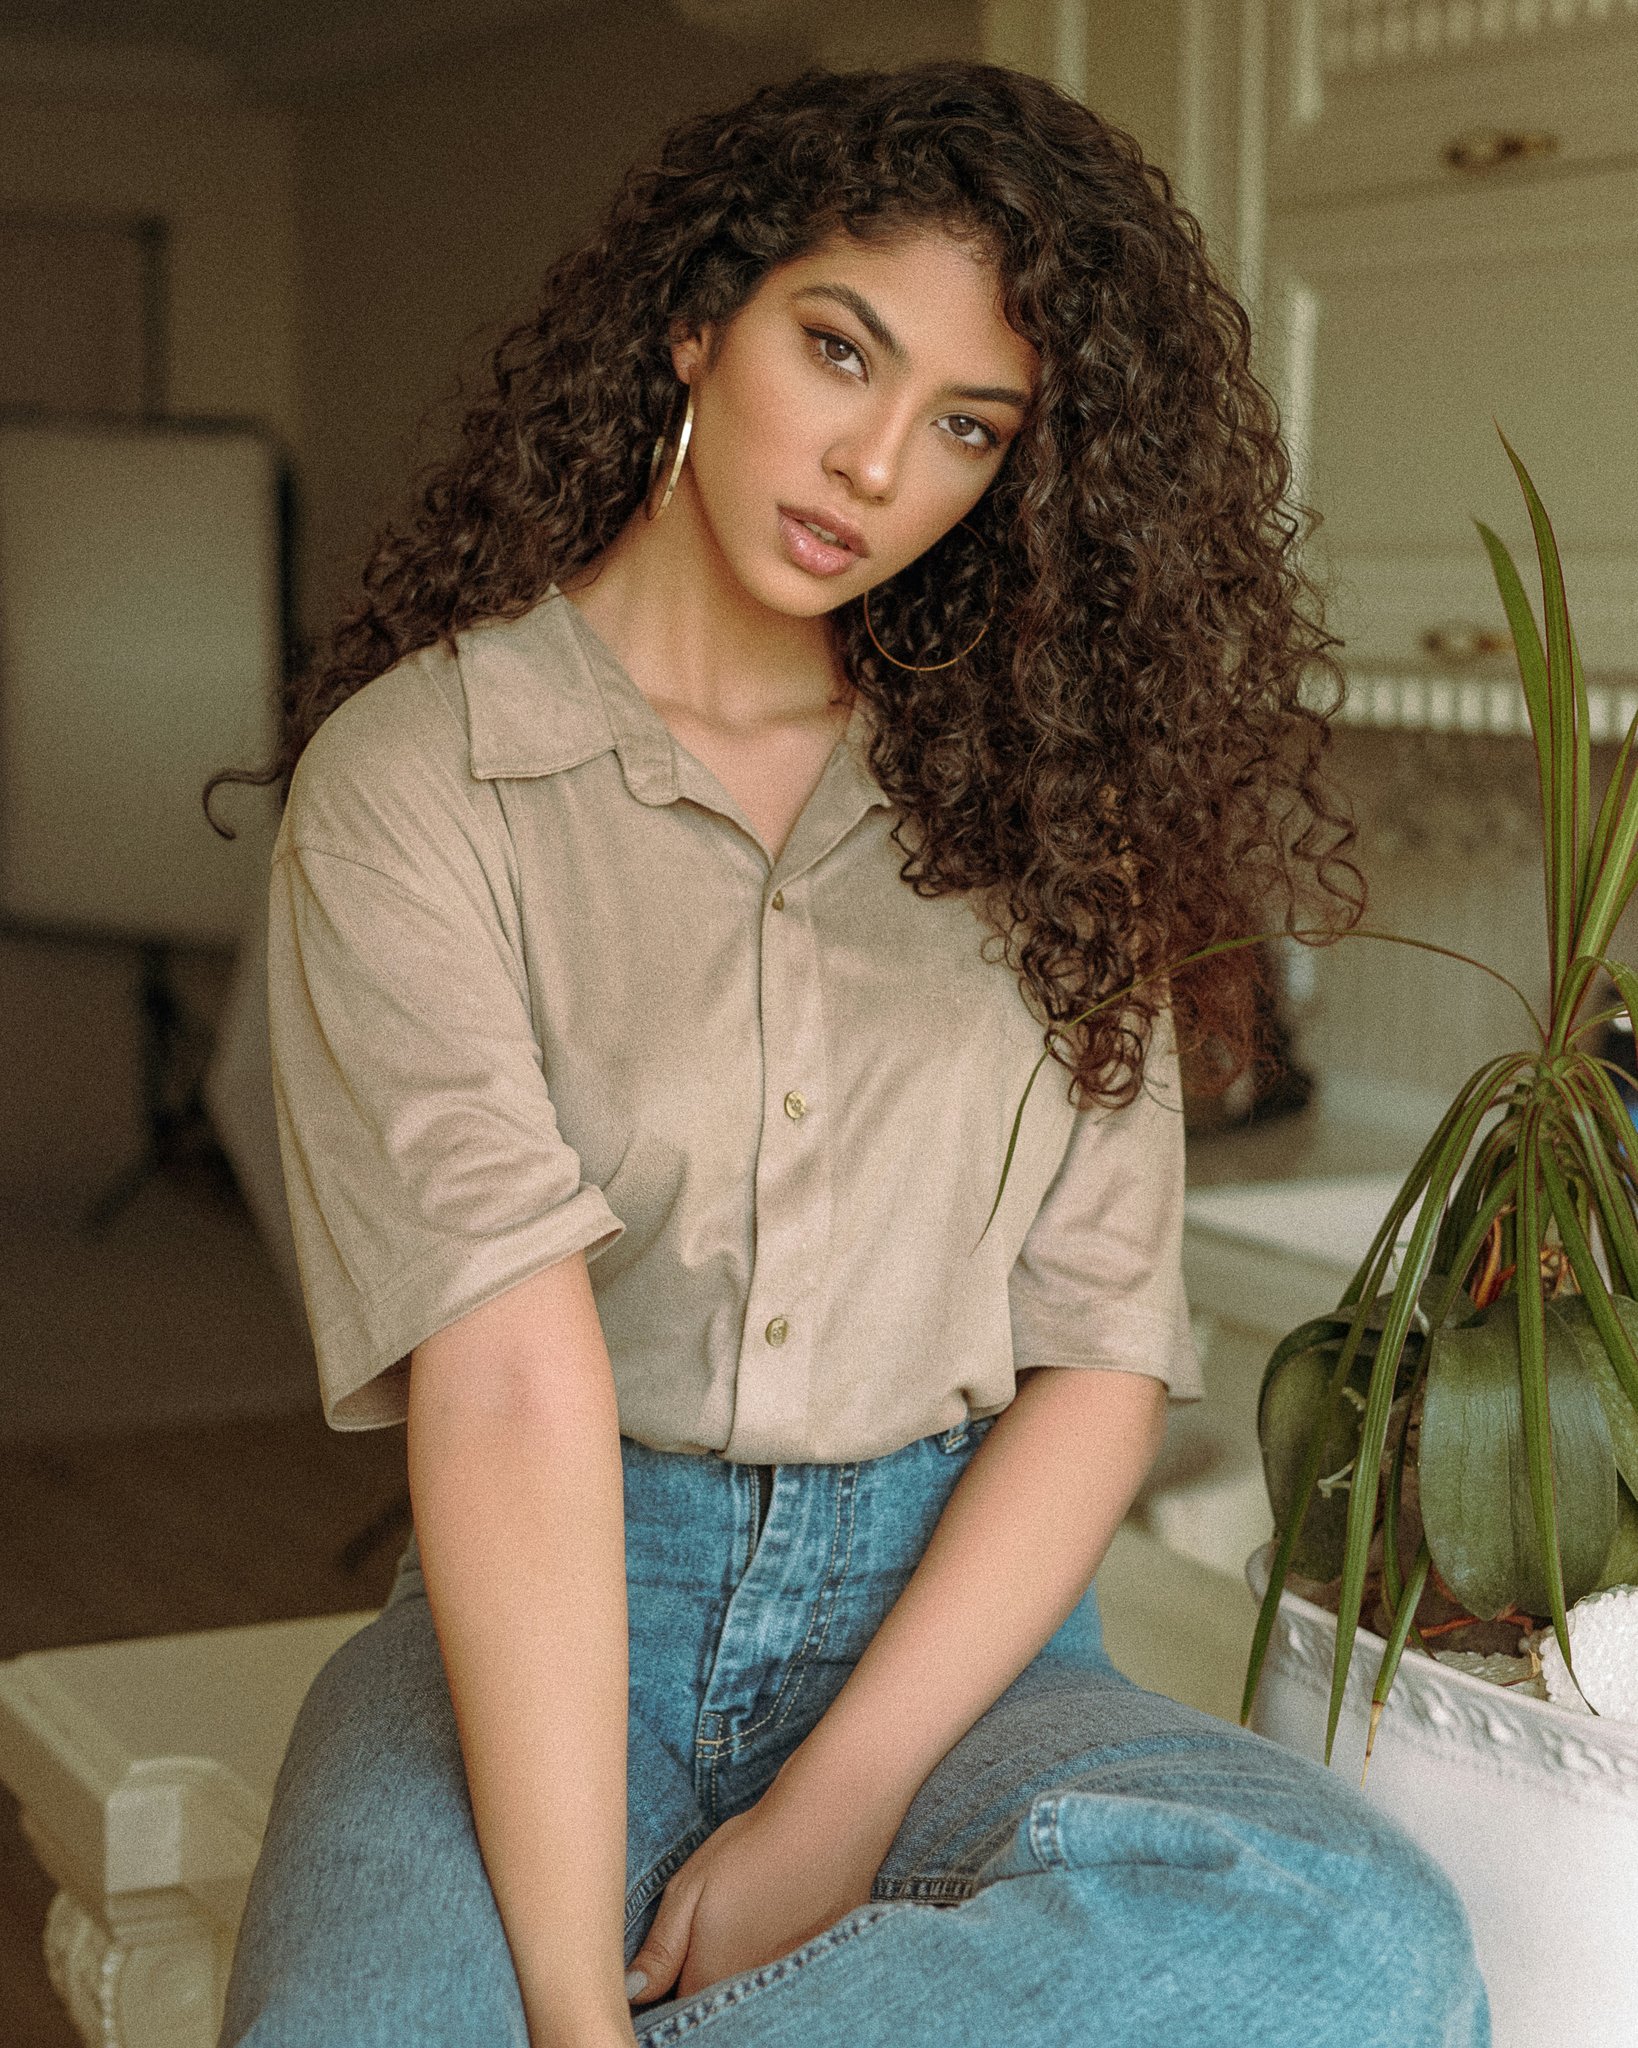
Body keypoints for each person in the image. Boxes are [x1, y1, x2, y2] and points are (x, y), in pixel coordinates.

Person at [209, 60, 1490, 2048]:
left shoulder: (1053, 803)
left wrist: (843, 1801)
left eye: (967, 423)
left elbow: (1098, 1357)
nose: (880, 464)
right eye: (841, 349)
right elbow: (513, 1383)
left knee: (1358, 1945)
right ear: (700, 313)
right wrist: (574, 2007)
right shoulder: (424, 780)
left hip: (952, 1636)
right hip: (546, 1617)